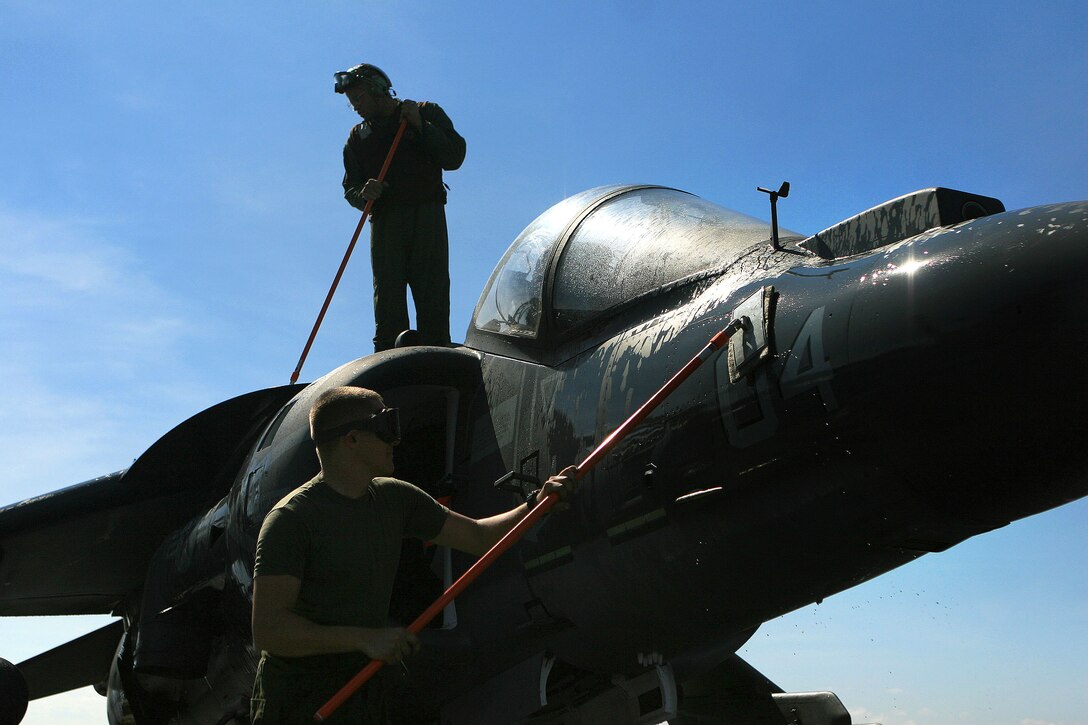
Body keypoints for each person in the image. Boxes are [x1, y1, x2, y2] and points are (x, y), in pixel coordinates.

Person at [250, 386, 577, 723]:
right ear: (352, 440)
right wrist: (364, 639)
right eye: (387, 426)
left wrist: (537, 505)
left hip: (364, 695)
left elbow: (479, 536)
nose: (396, 439)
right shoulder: (290, 521)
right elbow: (270, 631)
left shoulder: (396, 499)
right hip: (298, 705)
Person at [334, 63, 467, 353]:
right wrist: (363, 193)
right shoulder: (357, 139)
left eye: (359, 98)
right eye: (351, 101)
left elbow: (454, 156)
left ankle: (436, 357)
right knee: (388, 301)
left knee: (432, 293)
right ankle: (389, 361)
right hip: (385, 223)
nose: (355, 106)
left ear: (378, 90)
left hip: (427, 216)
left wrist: (421, 125)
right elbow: (350, 188)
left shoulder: (424, 112)